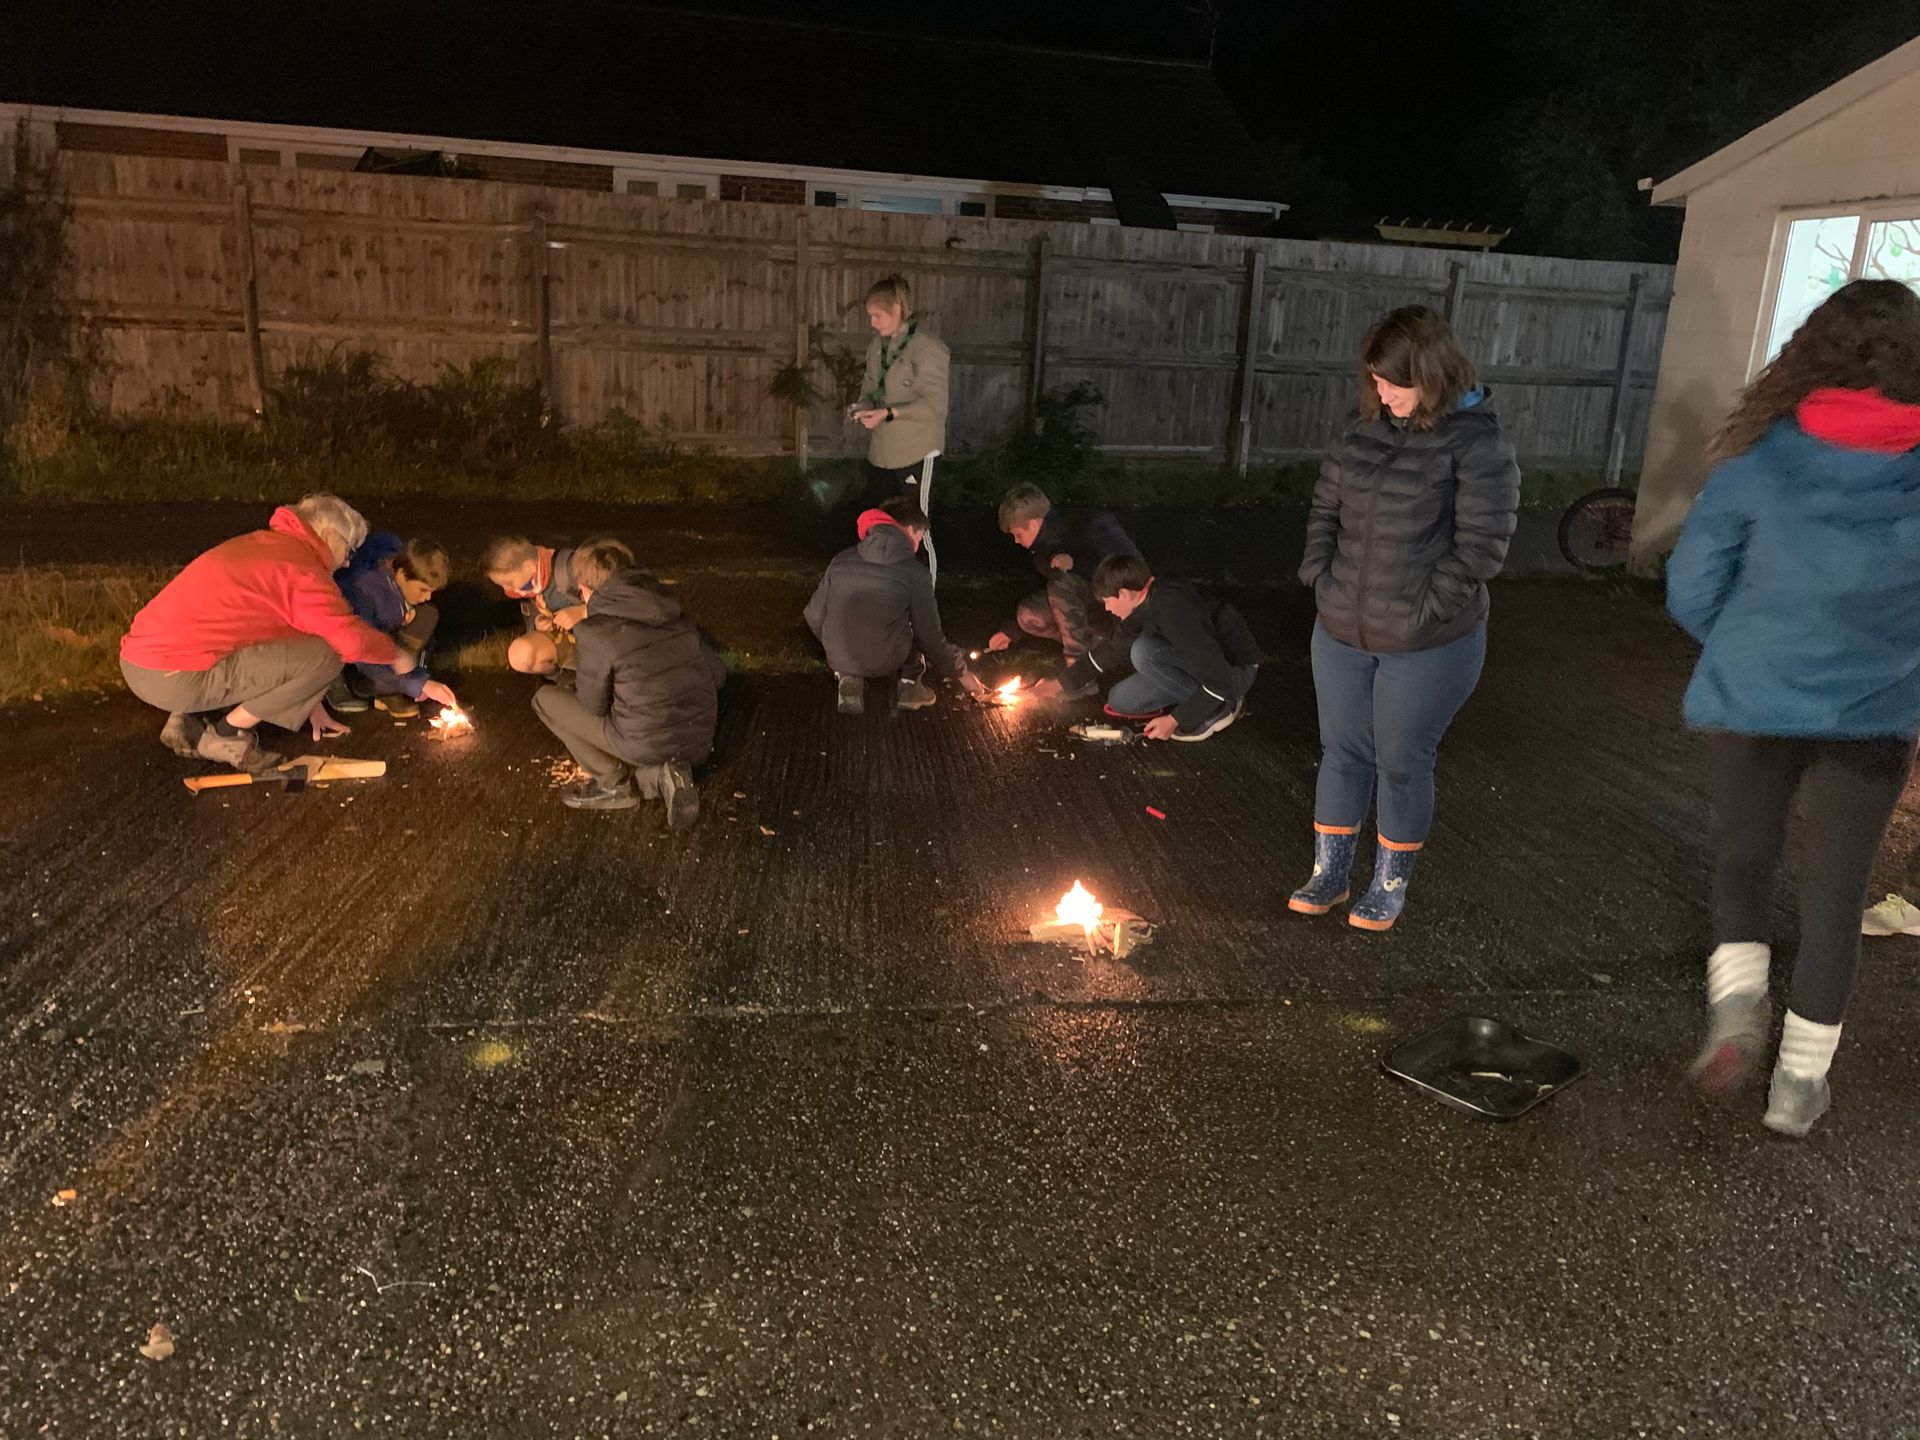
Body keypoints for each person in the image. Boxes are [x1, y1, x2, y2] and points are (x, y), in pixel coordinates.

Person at [1667, 278, 1920, 1138]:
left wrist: (1742, 644)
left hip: (1753, 696)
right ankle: (1798, 1087)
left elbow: (1692, 587)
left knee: (1744, 861)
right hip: (1876, 712)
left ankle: (1738, 1009)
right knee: (1835, 896)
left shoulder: (1763, 458)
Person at [1291, 305, 1520, 933]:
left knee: (1401, 761)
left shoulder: (1479, 444)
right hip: (1341, 627)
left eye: (1395, 381)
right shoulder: (1359, 431)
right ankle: (1329, 874)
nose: (1382, 392)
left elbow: (1482, 547)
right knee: (1342, 751)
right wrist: (1321, 577)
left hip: (1427, 642)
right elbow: (1324, 513)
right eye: (1376, 380)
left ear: (1434, 373)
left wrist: (1425, 612)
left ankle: (1388, 884)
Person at [120, 494, 412, 772]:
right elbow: (349, 641)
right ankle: (228, 734)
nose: (348, 562)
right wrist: (396, 654)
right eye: (349, 550)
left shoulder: (267, 544)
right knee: (328, 653)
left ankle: (188, 718)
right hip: (174, 676)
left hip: (141, 661)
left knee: (307, 645)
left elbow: (283, 639)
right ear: (329, 536)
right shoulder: (302, 570)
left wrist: (307, 700)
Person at [529, 541, 725, 824]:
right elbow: (717, 674)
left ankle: (612, 783)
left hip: (644, 741)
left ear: (585, 588)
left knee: (546, 700)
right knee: (639, 726)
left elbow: (593, 706)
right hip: (698, 739)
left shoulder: (595, 631)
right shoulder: (672, 613)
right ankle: (661, 775)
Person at [804, 496, 986, 714]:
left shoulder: (841, 560)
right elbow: (930, 635)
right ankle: (910, 689)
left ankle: (848, 678)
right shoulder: (915, 572)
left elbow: (813, 615)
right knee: (914, 627)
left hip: (839, 656)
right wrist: (962, 673)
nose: (917, 546)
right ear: (908, 529)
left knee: (849, 620)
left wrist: (835, 644)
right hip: (888, 658)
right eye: (919, 537)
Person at [988, 483, 1140, 703]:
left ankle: (1079, 678)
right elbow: (1047, 596)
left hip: (1119, 613)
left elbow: (1131, 568)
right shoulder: (1042, 548)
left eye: (1018, 534)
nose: (1016, 541)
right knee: (1029, 616)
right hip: (1090, 610)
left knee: (1061, 584)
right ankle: (1097, 650)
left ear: (1032, 524)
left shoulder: (1092, 525)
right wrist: (1011, 631)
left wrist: (1077, 564)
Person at [1085, 553, 1258, 741]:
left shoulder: (1175, 609)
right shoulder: (1143, 603)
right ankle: (1202, 699)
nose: (1107, 608)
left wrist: (1175, 719)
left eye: (1107, 601)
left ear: (1124, 594)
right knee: (1119, 700)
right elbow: (1113, 647)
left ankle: (1219, 706)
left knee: (1143, 652)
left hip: (1232, 671)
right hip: (1196, 666)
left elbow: (1219, 677)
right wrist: (1061, 684)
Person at [330, 534, 459, 719]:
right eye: (423, 589)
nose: (428, 597)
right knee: (383, 670)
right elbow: (363, 651)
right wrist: (420, 684)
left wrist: (422, 676)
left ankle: (405, 683)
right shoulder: (364, 593)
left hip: (387, 646)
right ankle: (377, 688)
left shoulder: (397, 573)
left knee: (427, 614)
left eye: (432, 591)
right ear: (402, 574)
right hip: (358, 665)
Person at [850, 275, 950, 508]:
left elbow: (935, 406)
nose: (872, 323)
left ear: (896, 310)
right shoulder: (876, 347)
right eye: (870, 316)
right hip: (882, 454)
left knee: (915, 527)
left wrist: (888, 413)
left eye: (877, 316)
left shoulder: (928, 349)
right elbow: (870, 385)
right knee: (880, 524)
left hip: (916, 452)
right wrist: (863, 406)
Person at [483, 536, 624, 675]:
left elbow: (626, 599)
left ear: (529, 566)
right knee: (521, 655)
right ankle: (569, 681)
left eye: (508, 583)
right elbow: (531, 622)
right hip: (580, 644)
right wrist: (537, 624)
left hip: (612, 639)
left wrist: (583, 611)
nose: (507, 590)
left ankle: (611, 675)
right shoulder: (528, 589)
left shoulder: (573, 568)